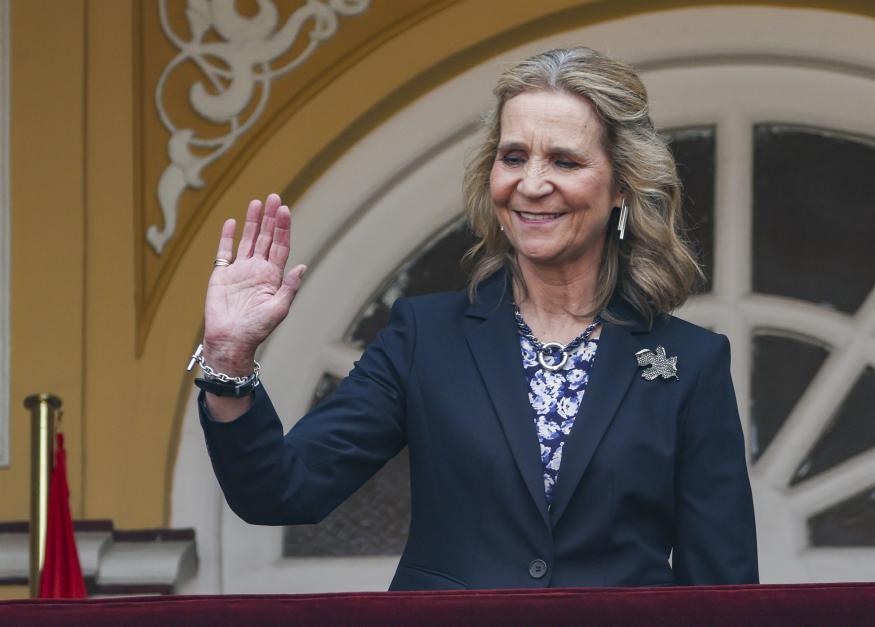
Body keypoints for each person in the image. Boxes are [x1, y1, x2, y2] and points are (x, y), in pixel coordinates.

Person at [192, 47, 759, 590]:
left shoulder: (690, 363)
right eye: (513, 157)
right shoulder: (424, 336)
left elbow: (723, 586)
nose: (531, 184)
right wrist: (228, 360)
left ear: (622, 188)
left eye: (564, 160)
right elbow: (282, 491)